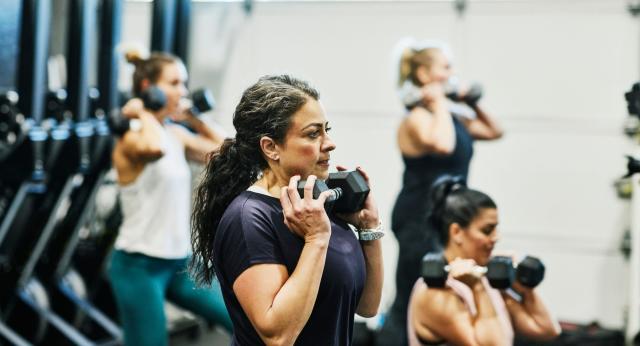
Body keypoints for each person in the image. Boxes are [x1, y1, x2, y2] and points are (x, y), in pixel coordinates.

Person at [190, 74, 384, 345]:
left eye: (327, 130)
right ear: (271, 147)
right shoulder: (248, 219)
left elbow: (366, 305)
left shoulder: (315, 206)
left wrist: (368, 229)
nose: (329, 143)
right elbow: (278, 336)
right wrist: (316, 240)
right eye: (313, 133)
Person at [378, 39, 504, 345]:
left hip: (447, 216)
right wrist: (438, 104)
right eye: (445, 68)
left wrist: (470, 102)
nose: (452, 74)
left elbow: (494, 130)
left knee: (446, 287)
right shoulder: (417, 119)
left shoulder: (452, 117)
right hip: (418, 218)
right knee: (413, 292)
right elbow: (443, 145)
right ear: (424, 75)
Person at [108, 50, 232, 346]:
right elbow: (154, 148)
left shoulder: (175, 133)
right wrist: (142, 112)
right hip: (139, 267)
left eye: (184, 83)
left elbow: (227, 151)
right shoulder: (132, 138)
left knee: (245, 319)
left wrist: (191, 116)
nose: (183, 91)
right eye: (175, 83)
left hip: (180, 262)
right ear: (148, 87)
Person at [406, 176, 560, 345]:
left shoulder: (486, 278)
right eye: (487, 230)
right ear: (457, 232)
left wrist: (522, 285)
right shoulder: (434, 294)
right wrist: (478, 289)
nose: (496, 238)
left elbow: (546, 329)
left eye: (496, 229)